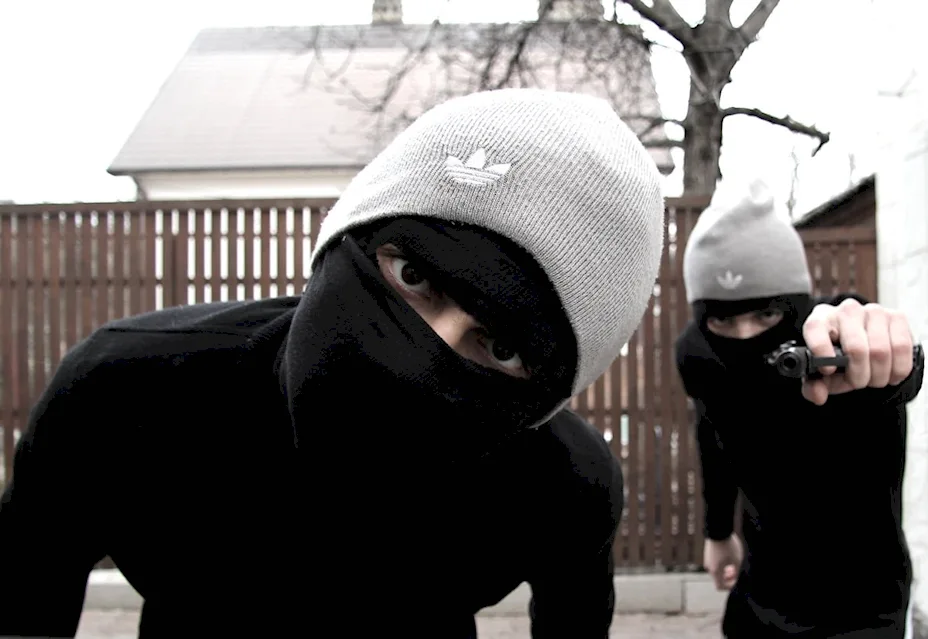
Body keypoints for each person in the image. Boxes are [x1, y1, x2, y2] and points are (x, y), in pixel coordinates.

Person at [0, 89, 667, 637]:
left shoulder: (560, 484)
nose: (421, 351)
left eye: (498, 345)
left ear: (543, 398)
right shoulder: (125, 395)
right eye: (412, 275)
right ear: (343, 240)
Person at [674, 180, 924, 639]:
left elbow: (894, 372)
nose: (745, 335)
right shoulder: (698, 352)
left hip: (863, 607)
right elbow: (712, 429)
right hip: (758, 595)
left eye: (766, 315)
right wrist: (716, 533)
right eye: (723, 319)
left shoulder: (834, 347)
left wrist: (888, 350)